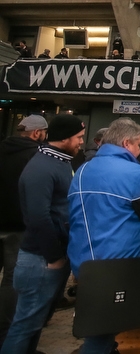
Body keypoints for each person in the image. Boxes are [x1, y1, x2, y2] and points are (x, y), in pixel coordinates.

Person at [66, 118, 140, 354]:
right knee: (101, 334)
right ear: (126, 143)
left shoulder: (83, 170)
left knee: (101, 328)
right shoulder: (136, 174)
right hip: (120, 262)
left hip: (85, 258)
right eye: (138, 145)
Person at [1, 114, 85, 354]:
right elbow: (37, 217)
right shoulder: (42, 166)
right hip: (40, 259)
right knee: (24, 325)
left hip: (47, 258)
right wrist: (55, 256)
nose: (81, 142)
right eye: (78, 137)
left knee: (34, 323)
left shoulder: (60, 162)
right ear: (65, 137)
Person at [0, 115, 47, 344]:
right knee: (11, 280)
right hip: (18, 225)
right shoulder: (36, 156)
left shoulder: (3, 149)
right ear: (37, 133)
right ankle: (5, 333)